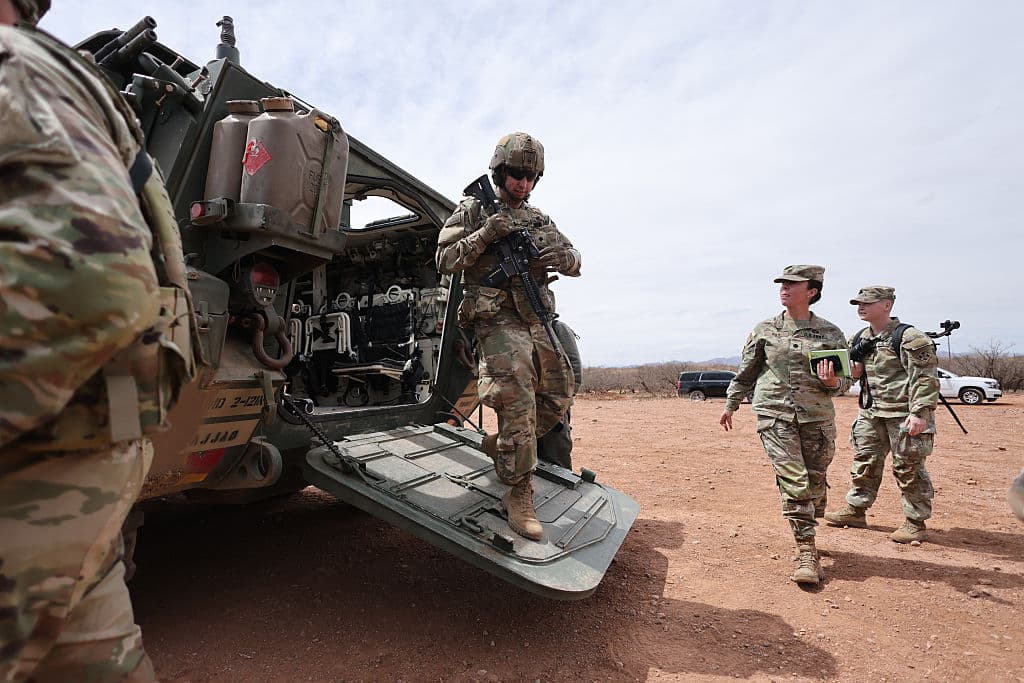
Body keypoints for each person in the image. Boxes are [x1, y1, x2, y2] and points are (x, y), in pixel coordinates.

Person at [1, 1, 194, 679]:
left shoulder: (15, 67)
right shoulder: (52, 74)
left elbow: (90, 278)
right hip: (63, 453)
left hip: (38, 470)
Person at [436, 132, 580, 541]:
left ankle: (505, 443)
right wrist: (486, 234)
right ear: (500, 172)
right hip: (495, 318)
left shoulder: (539, 219)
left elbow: (576, 258)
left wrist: (564, 258)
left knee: (560, 392)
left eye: (531, 176)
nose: (523, 182)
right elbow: (443, 259)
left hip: (535, 315)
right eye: (517, 173)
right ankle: (518, 491)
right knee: (516, 390)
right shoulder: (473, 209)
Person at [719, 265, 851, 586]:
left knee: (815, 480)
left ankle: (809, 516)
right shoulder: (765, 330)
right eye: (782, 284)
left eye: (793, 284)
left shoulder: (830, 333)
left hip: (816, 418)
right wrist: (731, 403)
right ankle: (806, 550)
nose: (784, 288)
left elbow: (844, 382)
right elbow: (747, 372)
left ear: (812, 292)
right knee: (794, 479)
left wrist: (832, 381)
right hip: (774, 415)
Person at [825, 286, 939, 543]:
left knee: (908, 468)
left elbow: (925, 379)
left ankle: (915, 522)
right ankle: (856, 510)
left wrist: (920, 413)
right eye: (858, 303)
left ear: (886, 305)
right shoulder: (859, 338)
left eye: (867, 303)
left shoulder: (910, 338)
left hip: (903, 415)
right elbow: (851, 377)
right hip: (871, 414)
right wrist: (838, 378)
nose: (861, 307)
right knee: (864, 462)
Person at [536, 319, 582, 470]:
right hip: (529, 407)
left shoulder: (557, 328)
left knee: (557, 458)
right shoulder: (523, 328)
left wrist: (562, 401)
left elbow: (574, 367)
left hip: (554, 408)